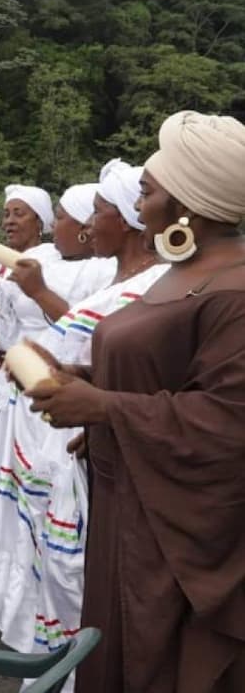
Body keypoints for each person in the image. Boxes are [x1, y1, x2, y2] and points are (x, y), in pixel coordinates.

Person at [30, 111, 245, 692]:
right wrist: (90, 379)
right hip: (130, 499)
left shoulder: (235, 292)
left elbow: (229, 423)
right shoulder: (181, 272)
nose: (137, 204)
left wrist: (106, 409)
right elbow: (172, 373)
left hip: (175, 536)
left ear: (190, 206)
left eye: (146, 192)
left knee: (159, 658)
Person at [0, 162, 165, 659]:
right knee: (54, 566)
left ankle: (87, 663)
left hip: (84, 442)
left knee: (78, 570)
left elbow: (131, 369)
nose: (85, 225)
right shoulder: (115, 281)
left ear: (125, 221)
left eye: (96, 213)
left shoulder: (150, 286)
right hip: (54, 438)